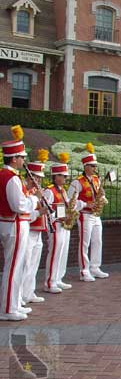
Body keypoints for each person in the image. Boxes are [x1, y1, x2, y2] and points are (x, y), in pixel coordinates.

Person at [0, 126, 43, 321]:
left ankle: (14, 303)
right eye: (22, 157)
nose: (23, 161)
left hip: (11, 224)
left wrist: (31, 192)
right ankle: (8, 308)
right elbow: (19, 205)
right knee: (13, 268)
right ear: (15, 158)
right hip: (14, 225)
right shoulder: (11, 178)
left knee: (15, 266)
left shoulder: (7, 176)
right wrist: (34, 200)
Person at [68, 143, 110, 281]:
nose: (94, 168)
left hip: (96, 215)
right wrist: (86, 204)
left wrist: (102, 197)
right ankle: (84, 270)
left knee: (98, 241)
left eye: (95, 166)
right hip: (85, 215)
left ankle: (95, 267)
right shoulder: (77, 182)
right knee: (84, 243)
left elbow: (99, 194)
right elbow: (70, 201)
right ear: (85, 166)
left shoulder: (97, 179)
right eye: (92, 166)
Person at [44, 153, 78, 294]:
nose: (65, 178)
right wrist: (62, 216)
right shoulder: (49, 190)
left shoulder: (63, 190)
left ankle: (58, 278)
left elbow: (64, 206)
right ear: (55, 176)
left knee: (63, 252)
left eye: (65, 176)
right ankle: (50, 282)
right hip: (56, 225)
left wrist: (71, 209)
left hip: (64, 225)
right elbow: (46, 210)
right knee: (55, 253)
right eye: (63, 176)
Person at [20, 151, 49, 306]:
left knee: (34, 264)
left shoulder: (36, 191)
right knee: (25, 264)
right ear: (30, 176)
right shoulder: (25, 191)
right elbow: (26, 214)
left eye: (40, 178)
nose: (39, 180)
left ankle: (29, 292)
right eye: (36, 177)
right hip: (29, 231)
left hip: (38, 232)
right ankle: (20, 296)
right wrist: (40, 212)